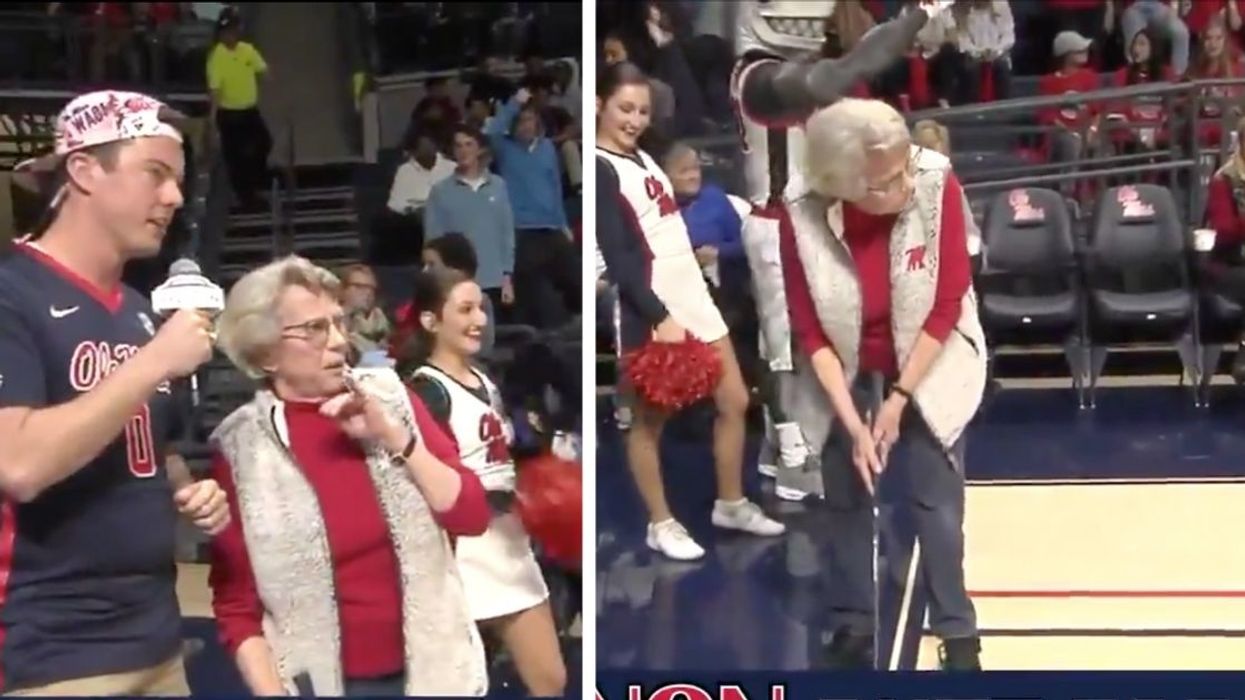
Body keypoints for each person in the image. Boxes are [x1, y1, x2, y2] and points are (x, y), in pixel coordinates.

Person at [0, 90, 228, 695]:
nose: (174, 198)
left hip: (156, 637)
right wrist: (154, 363)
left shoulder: (135, 311)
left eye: (178, 181)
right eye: (155, 174)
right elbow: (18, 465)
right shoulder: (11, 295)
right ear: (83, 170)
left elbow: (146, 442)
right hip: (52, 652)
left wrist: (186, 488)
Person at [208, 256, 491, 697]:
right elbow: (236, 604)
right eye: (315, 330)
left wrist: (395, 436)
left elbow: (471, 514)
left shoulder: (391, 396)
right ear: (265, 354)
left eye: (337, 322)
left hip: (435, 675)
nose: (339, 341)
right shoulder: (240, 447)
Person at [780, 98, 985, 671]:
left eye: (904, 167)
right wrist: (853, 424)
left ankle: (957, 627)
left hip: (930, 348)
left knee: (935, 495)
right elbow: (810, 329)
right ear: (841, 183)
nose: (904, 183)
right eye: (884, 180)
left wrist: (896, 402)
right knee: (846, 490)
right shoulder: (800, 209)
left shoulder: (933, 179)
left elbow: (946, 303)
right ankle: (853, 616)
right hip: (845, 355)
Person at [732, 0, 952, 503]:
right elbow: (846, 70)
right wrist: (917, 15)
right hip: (775, 221)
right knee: (786, 347)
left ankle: (794, 447)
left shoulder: (796, 67)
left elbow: (855, 59)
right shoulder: (758, 75)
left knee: (819, 346)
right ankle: (791, 453)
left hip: (810, 218)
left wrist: (914, 17)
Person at [597, 61, 785, 562]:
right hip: (651, 301)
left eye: (641, 110)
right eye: (624, 109)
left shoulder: (642, 157)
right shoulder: (599, 167)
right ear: (598, 105)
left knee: (734, 400)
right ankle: (660, 523)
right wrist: (657, 314)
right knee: (648, 420)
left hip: (693, 292)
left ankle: (731, 503)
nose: (634, 119)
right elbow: (619, 255)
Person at [403, 268, 567, 697]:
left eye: (482, 308)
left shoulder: (486, 380)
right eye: (465, 309)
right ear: (430, 321)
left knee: (551, 679)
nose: (480, 319)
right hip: (459, 549)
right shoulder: (424, 391)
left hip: (508, 541)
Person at [425, 126, 516, 327]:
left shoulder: (498, 186)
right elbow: (433, 242)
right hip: (459, 284)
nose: (463, 150)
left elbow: (506, 233)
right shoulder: (440, 191)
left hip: (494, 282)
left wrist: (507, 277)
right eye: (458, 146)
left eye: (469, 144)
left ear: (479, 149)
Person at [206, 11, 272, 209]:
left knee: (264, 142)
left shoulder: (247, 50)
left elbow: (263, 70)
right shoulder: (216, 58)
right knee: (236, 158)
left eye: (234, 30)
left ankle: (258, 180)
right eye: (227, 31)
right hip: (229, 114)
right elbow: (215, 90)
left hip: (249, 110)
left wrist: (262, 74)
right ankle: (246, 197)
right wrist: (212, 118)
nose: (231, 35)